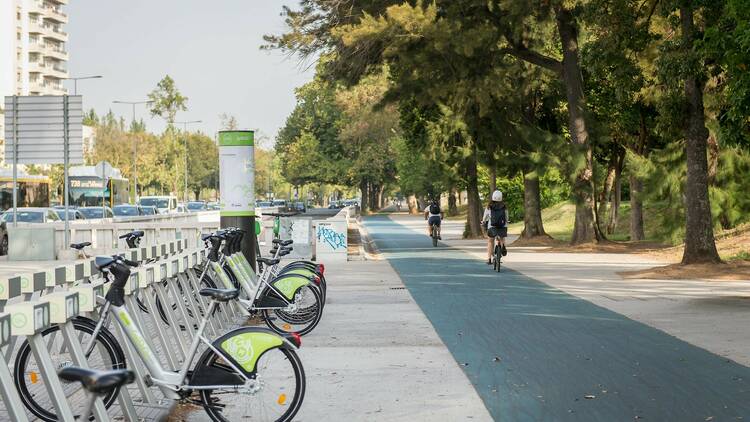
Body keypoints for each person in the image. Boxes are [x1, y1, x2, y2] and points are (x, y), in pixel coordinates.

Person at [482, 190, 509, 265]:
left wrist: (483, 221)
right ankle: (503, 246)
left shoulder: (489, 206)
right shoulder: (504, 206)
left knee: (490, 241)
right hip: (502, 226)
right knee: (502, 237)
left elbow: (485, 217)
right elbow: (506, 217)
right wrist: (507, 221)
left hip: (492, 227)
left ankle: (489, 259)